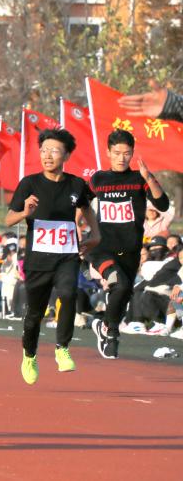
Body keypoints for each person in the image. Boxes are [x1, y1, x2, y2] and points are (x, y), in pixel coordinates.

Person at [6, 128, 99, 385]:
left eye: (54, 151)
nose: (47, 156)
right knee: (34, 314)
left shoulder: (76, 184)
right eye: (44, 150)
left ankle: (62, 348)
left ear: (66, 155)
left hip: (67, 255)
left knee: (68, 294)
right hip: (38, 259)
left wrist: (96, 234)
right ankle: (29, 355)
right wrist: (25, 212)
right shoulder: (29, 183)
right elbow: (9, 219)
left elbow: (86, 209)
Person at [87, 129, 168, 359]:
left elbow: (162, 204)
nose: (121, 158)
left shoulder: (139, 179)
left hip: (130, 251)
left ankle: (103, 325)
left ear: (132, 153)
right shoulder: (98, 179)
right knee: (119, 285)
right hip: (103, 248)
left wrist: (148, 177)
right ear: (108, 152)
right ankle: (112, 333)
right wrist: (78, 229)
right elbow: (81, 204)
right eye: (116, 153)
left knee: (123, 296)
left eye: (126, 153)